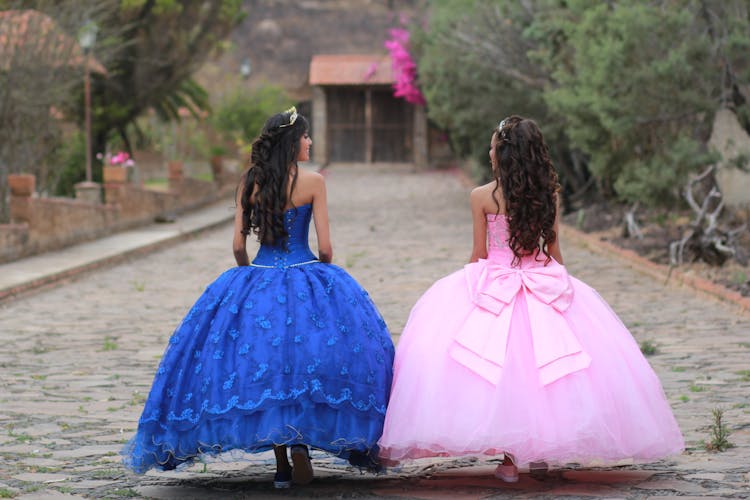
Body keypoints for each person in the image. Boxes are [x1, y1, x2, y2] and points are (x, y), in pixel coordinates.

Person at [377, 116, 684, 482]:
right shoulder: (549, 196)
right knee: (545, 372)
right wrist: (562, 289)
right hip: (541, 278)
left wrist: (470, 288)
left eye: (493, 146)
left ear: (504, 154)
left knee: (499, 371)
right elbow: (553, 250)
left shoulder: (481, 196)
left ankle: (509, 459)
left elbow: (479, 253)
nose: (490, 152)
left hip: (495, 281)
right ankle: (540, 454)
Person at [122, 107, 395, 489]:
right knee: (305, 359)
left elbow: (237, 246)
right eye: (305, 137)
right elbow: (327, 248)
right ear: (291, 142)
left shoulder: (250, 182)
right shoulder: (314, 181)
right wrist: (321, 272)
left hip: (260, 274)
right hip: (306, 270)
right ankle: (302, 443)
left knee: (263, 365)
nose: (310, 142)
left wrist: (248, 272)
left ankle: (282, 464)